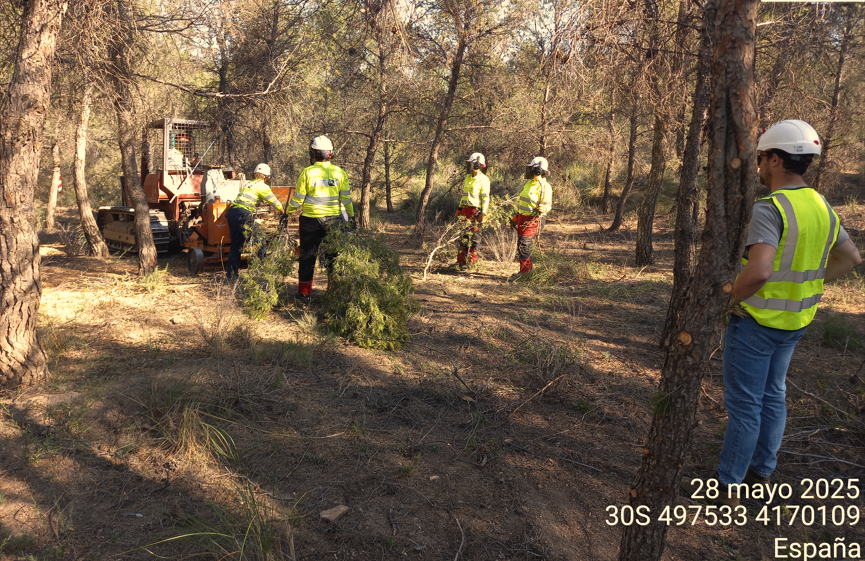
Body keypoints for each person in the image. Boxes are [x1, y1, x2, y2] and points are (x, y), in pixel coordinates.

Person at [682, 119, 862, 506]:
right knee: (773, 396)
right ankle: (763, 470)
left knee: (745, 405)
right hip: (796, 322)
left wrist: (728, 302)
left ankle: (727, 485)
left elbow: (760, 270)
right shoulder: (821, 205)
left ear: (777, 159)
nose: (759, 165)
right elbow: (851, 257)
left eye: (762, 158)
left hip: (756, 323)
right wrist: (806, 284)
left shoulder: (771, 207)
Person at [286, 135, 354, 303]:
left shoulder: (307, 172)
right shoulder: (340, 172)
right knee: (334, 256)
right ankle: (335, 292)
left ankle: (304, 293)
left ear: (313, 153)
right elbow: (346, 199)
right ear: (331, 154)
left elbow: (298, 199)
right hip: (334, 220)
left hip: (310, 221)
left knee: (307, 256)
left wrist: (287, 212)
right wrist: (351, 217)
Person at [224, 163, 284, 279]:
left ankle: (231, 274)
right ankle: (261, 272)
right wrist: (283, 212)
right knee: (259, 239)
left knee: (236, 244)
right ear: (266, 177)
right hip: (242, 213)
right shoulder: (263, 187)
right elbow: (275, 202)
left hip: (232, 212)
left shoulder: (249, 183)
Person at [510, 156, 553, 278]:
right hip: (523, 218)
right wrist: (518, 216)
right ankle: (524, 271)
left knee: (524, 244)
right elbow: (524, 201)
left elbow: (548, 205)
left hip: (535, 219)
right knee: (521, 244)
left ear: (538, 170)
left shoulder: (545, 186)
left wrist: (543, 208)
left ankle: (526, 273)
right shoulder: (528, 183)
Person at [455, 152, 490, 269]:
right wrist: (460, 208)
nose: (469, 166)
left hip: (476, 212)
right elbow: (464, 195)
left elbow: (485, 198)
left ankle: (471, 263)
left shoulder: (484, 180)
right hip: (465, 210)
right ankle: (461, 262)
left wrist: (483, 213)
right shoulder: (468, 178)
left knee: (474, 238)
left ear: (477, 165)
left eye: (471, 164)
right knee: (463, 237)